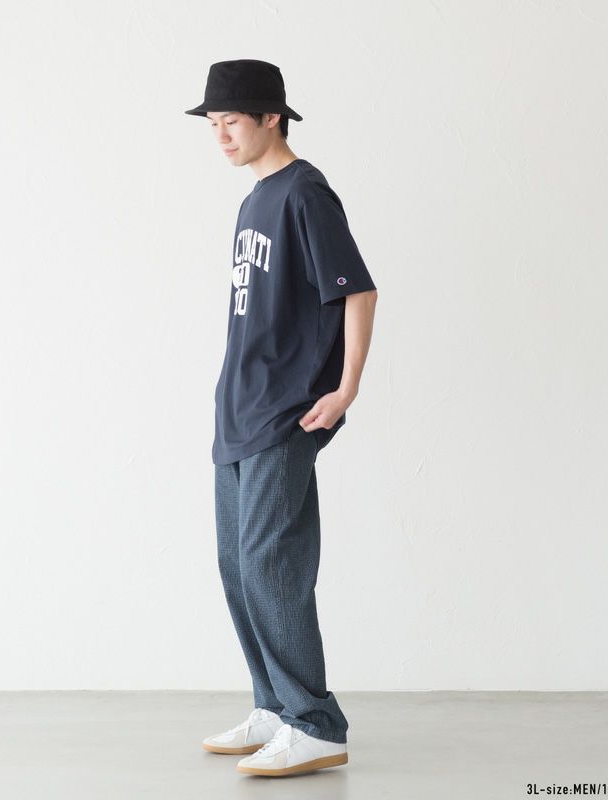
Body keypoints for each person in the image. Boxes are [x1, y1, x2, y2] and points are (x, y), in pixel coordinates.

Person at [184, 59, 378, 778]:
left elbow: (358, 291)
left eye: (232, 121)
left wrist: (346, 387)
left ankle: (315, 725)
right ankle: (274, 706)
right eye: (213, 124)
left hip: (284, 412)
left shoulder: (304, 192)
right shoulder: (253, 202)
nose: (221, 136)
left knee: (272, 564)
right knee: (238, 566)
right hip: (237, 411)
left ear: (273, 118)